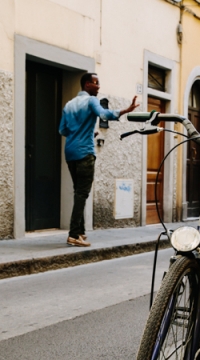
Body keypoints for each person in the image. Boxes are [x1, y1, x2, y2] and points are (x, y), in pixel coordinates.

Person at [58, 73, 139, 247]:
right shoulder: (91, 101)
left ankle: (80, 231)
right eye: (96, 83)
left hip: (70, 152)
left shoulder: (69, 104)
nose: (98, 86)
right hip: (85, 152)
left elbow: (63, 130)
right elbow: (103, 115)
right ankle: (73, 234)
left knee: (77, 191)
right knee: (82, 193)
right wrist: (125, 110)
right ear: (87, 84)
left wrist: (87, 132)